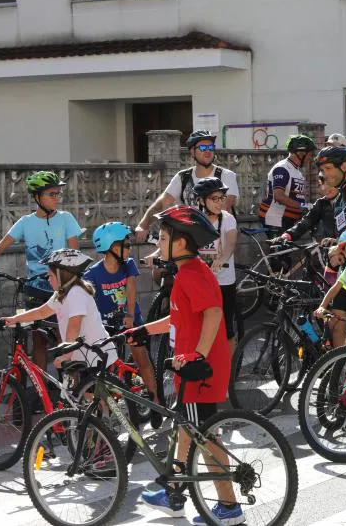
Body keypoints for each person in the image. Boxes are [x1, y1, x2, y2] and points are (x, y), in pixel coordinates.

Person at [132, 205, 240, 523]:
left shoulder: (192, 273)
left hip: (198, 372)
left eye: (163, 238)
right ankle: (174, 494)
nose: (158, 244)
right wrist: (141, 330)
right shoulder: (188, 274)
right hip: (191, 369)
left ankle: (230, 507)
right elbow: (176, 319)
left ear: (180, 243)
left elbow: (213, 313)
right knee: (186, 429)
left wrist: (198, 357)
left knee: (204, 436)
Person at [0, 171, 82, 370]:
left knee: (64, 337)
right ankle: (40, 387)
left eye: (57, 194)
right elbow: (0, 246)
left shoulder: (66, 219)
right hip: (35, 287)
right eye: (51, 194)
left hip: (60, 287)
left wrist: (69, 283)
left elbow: (74, 254)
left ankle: (70, 386)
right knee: (38, 340)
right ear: (37, 197)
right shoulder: (26, 222)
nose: (56, 198)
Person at [85, 222, 160, 426]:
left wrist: (129, 315)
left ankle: (155, 402)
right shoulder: (91, 275)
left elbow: (131, 291)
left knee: (142, 359)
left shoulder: (128, 265)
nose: (129, 248)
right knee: (106, 370)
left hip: (130, 320)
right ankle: (108, 415)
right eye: (125, 245)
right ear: (111, 247)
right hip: (106, 327)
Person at [0, 249, 119, 371]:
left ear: (61, 275)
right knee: (76, 390)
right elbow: (42, 312)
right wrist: (14, 319)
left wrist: (66, 355)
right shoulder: (61, 294)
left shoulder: (76, 293)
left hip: (95, 356)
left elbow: (74, 325)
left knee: (86, 390)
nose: (48, 279)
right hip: (84, 356)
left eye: (50, 275)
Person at [135, 130, 239, 242]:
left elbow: (224, 207)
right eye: (203, 148)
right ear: (192, 152)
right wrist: (143, 225)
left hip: (219, 246)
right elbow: (162, 203)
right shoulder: (183, 177)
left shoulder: (226, 176)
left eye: (211, 147)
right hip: (188, 247)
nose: (208, 151)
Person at [194, 177, 243, 345]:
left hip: (223, 280)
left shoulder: (228, 219)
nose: (220, 202)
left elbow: (230, 242)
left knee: (226, 328)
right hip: (200, 279)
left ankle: (230, 369)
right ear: (201, 200)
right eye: (214, 199)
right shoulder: (194, 219)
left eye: (222, 198)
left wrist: (222, 258)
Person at [258, 134, 317, 237]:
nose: (310, 158)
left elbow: (295, 196)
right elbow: (279, 196)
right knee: (281, 251)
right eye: (309, 154)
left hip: (287, 218)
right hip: (276, 219)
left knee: (287, 251)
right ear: (301, 153)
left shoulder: (296, 170)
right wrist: (302, 206)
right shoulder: (282, 168)